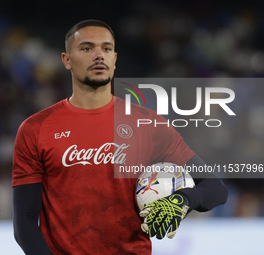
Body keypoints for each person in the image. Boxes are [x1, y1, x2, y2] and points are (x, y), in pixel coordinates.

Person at [12, 19, 228, 255]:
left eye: (106, 49)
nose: (98, 55)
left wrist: (183, 199)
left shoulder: (148, 124)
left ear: (114, 60)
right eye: (86, 48)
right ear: (67, 60)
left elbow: (215, 188)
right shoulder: (36, 129)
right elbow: (25, 220)